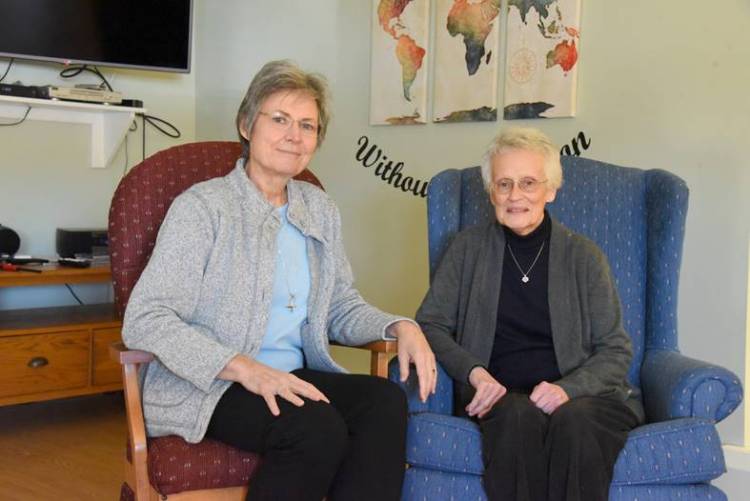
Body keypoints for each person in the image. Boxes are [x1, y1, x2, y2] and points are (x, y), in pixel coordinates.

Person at [123, 60, 437, 501]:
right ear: (246, 125)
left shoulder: (319, 207)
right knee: (314, 425)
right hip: (212, 384)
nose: (295, 135)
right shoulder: (203, 207)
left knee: (384, 401)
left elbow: (339, 306)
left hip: (290, 375)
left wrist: (400, 325)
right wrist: (245, 367)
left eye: (307, 125)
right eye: (280, 119)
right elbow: (146, 318)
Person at [415, 127, 644, 501]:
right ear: (491, 192)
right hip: (502, 397)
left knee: (576, 422)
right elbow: (431, 325)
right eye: (503, 184)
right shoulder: (466, 249)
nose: (515, 195)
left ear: (550, 190)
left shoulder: (584, 256)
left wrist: (566, 390)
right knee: (516, 418)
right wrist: (475, 373)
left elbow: (615, 350)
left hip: (583, 399)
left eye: (528, 183)